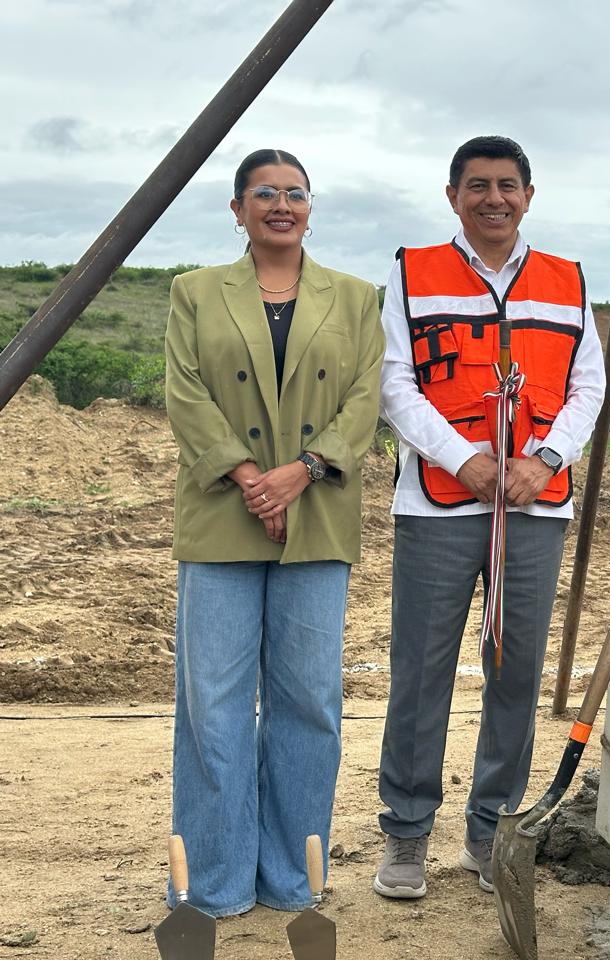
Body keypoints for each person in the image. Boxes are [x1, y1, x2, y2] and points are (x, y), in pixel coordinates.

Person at [372, 135, 605, 899]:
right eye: (478, 185)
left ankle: (491, 831)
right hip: (437, 508)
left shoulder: (566, 280)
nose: (493, 198)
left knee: (516, 673)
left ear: (528, 196)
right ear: (453, 196)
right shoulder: (413, 272)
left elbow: (587, 386)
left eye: (508, 185)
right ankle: (406, 835)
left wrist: (546, 460)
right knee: (421, 672)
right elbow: (394, 384)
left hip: (535, 510)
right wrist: (459, 458)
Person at [164, 148, 384, 915]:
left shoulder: (357, 299)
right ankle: (214, 883)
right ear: (237, 209)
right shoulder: (193, 293)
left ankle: (295, 876)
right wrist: (248, 477)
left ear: (311, 207)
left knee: (309, 701)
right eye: (265, 193)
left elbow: (364, 398)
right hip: (222, 517)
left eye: (295, 193)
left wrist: (302, 470)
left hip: (317, 515)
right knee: (213, 703)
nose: (281, 204)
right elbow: (185, 393)